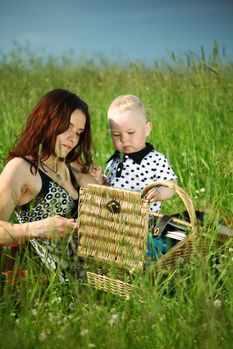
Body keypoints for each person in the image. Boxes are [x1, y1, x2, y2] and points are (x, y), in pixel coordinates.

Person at [0, 88, 98, 280]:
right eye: (67, 127)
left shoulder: (71, 164)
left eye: (79, 132)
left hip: (101, 271)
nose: (73, 138)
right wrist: (38, 229)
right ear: (47, 121)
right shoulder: (21, 168)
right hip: (59, 283)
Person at [92, 94, 178, 258]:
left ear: (147, 129)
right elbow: (108, 189)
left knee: (145, 250)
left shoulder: (154, 159)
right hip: (114, 224)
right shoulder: (114, 161)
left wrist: (160, 193)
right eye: (117, 135)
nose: (124, 139)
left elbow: (171, 185)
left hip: (142, 226)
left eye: (131, 132)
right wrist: (99, 180)